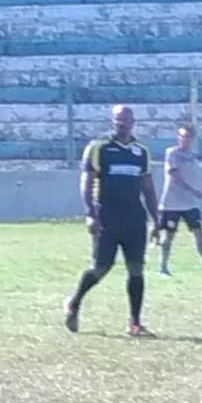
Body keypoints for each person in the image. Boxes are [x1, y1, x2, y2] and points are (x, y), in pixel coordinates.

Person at [63, 105, 160, 337]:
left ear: (133, 122)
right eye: (118, 119)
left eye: (125, 119)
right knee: (100, 267)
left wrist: (156, 220)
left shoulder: (141, 151)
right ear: (112, 121)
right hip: (107, 215)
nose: (122, 123)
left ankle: (135, 324)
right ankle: (73, 303)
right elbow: (86, 184)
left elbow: (148, 189)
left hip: (135, 217)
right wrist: (89, 213)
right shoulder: (99, 148)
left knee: (136, 269)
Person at [158, 125, 202, 278]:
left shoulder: (193, 156)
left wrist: (198, 191)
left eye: (188, 137)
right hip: (171, 203)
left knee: (199, 234)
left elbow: (193, 176)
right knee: (168, 235)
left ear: (192, 139)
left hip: (190, 204)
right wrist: (193, 190)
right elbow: (174, 175)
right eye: (182, 136)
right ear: (178, 137)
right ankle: (163, 268)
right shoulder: (172, 153)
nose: (184, 140)